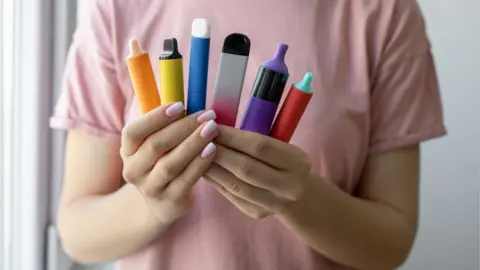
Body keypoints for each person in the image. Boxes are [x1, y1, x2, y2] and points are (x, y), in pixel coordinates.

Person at [50, 0, 446, 269]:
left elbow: (391, 243)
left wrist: (300, 197)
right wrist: (154, 205)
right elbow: (79, 234)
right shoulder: (117, 9)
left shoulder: (383, 12)